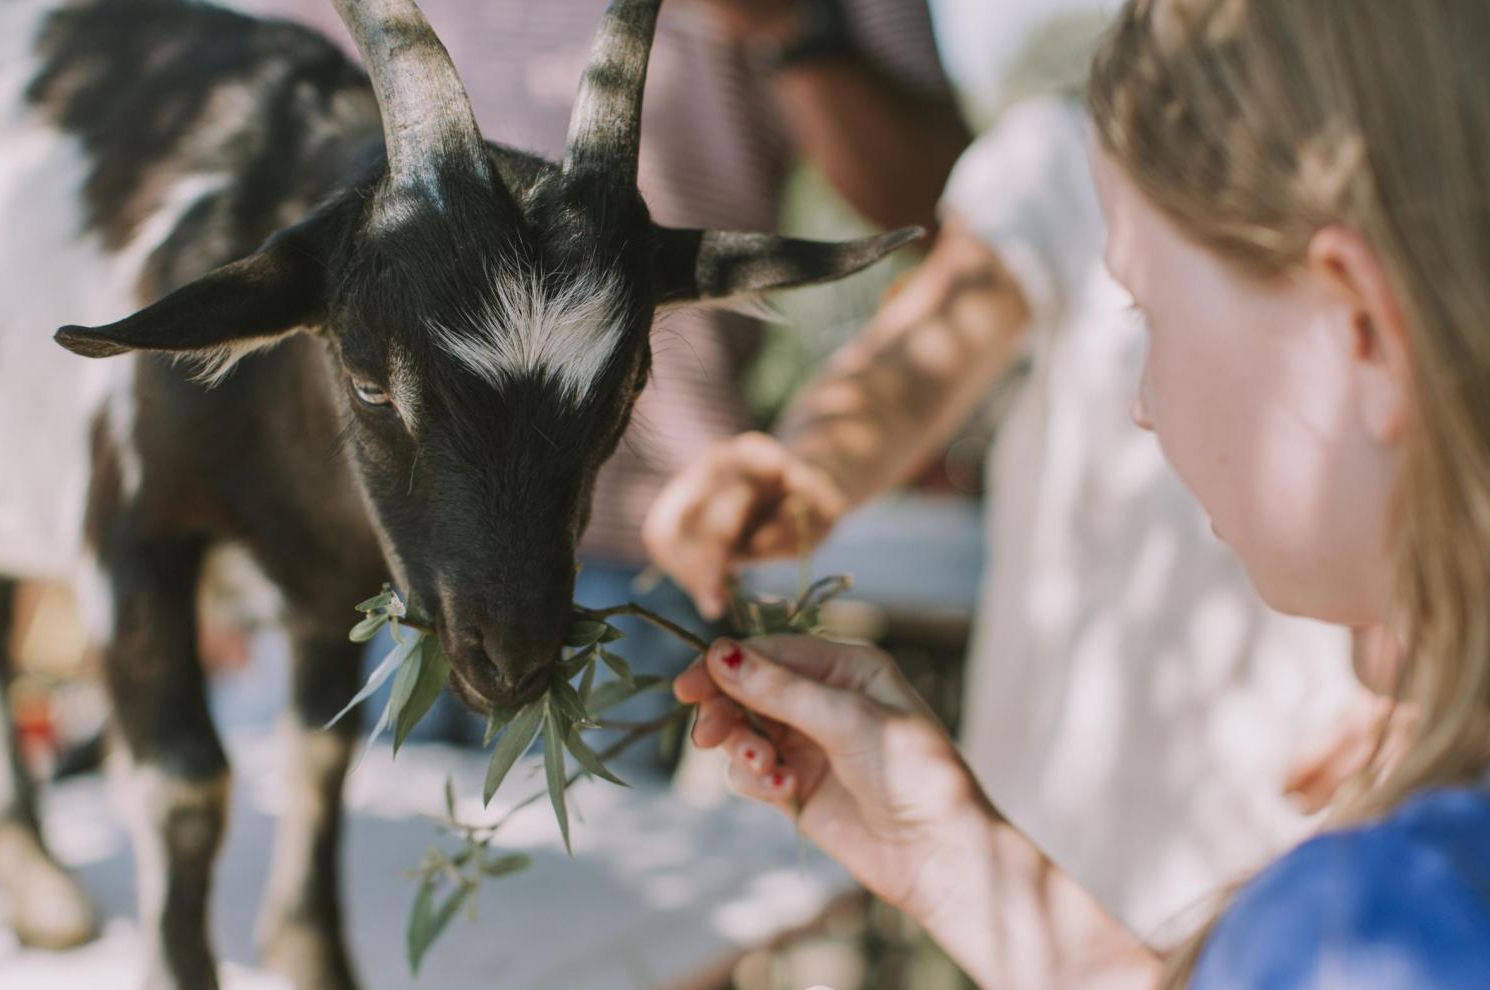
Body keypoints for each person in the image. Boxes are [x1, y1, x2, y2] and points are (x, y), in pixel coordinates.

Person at [669, 0, 1490, 986]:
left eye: (1146, 312)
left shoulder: (1368, 926)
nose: (1141, 405)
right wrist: (948, 856)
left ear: (1364, 331)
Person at [644, 18, 1360, 938]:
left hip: (1320, 810)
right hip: (1072, 817)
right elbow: (927, 349)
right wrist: (807, 466)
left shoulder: (1441, 177)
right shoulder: (1074, 148)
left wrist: (1451, 694)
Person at [230, 0, 968, 761]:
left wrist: (793, 23)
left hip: (632, 554)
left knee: (592, 868)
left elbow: (952, 203)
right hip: (354, 558)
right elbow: (258, 156)